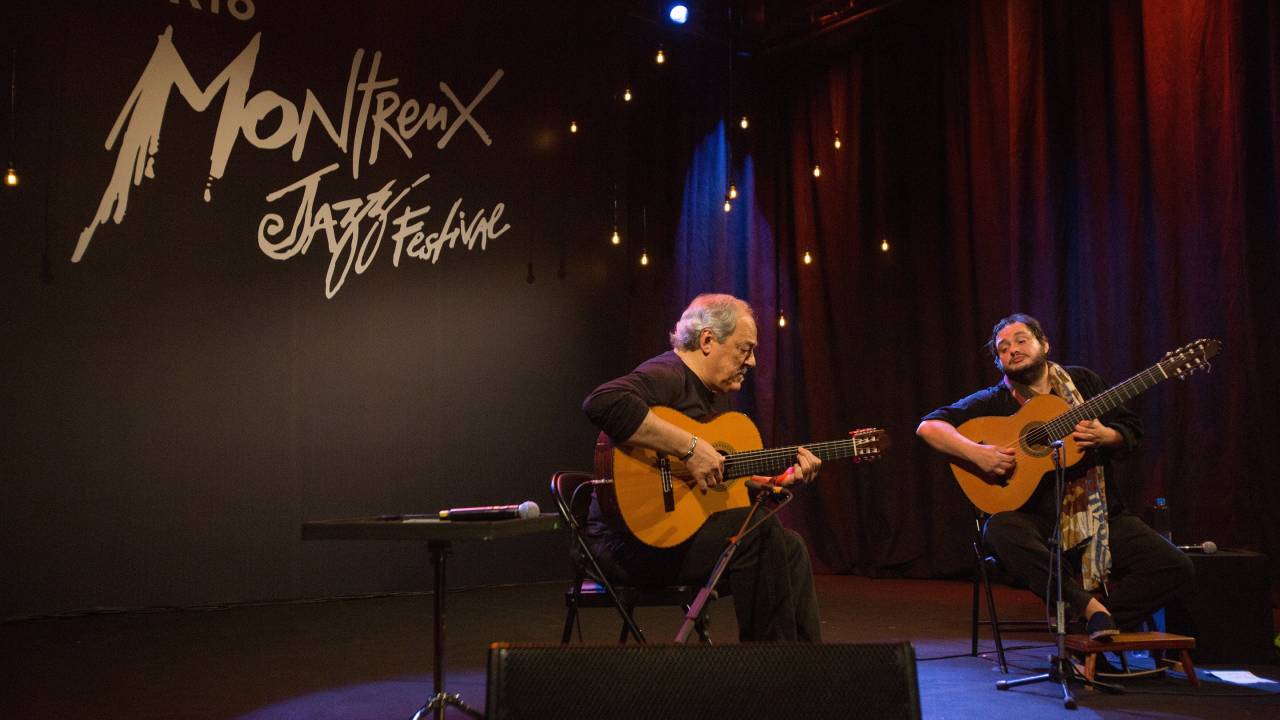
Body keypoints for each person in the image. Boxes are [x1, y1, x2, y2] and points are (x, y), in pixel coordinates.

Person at [916, 313, 1193, 640]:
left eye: (1021, 341)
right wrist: (978, 453)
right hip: (1037, 524)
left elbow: (1130, 430)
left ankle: (1094, 626)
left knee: (1176, 566)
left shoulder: (1084, 383)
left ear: (1044, 344)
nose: (1013, 351)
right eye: (1003, 348)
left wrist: (1108, 435)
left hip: (1098, 518)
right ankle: (1091, 610)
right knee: (999, 529)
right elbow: (929, 427)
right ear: (998, 361)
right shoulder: (994, 401)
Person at [581, 293, 823, 641]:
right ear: (708, 340)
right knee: (759, 532)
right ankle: (773, 671)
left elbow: (708, 487)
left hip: (669, 536)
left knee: (791, 546)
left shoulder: (710, 396)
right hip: (627, 545)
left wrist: (774, 482)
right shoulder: (668, 373)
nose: (752, 361)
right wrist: (690, 448)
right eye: (745, 348)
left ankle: (807, 670)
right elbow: (601, 402)